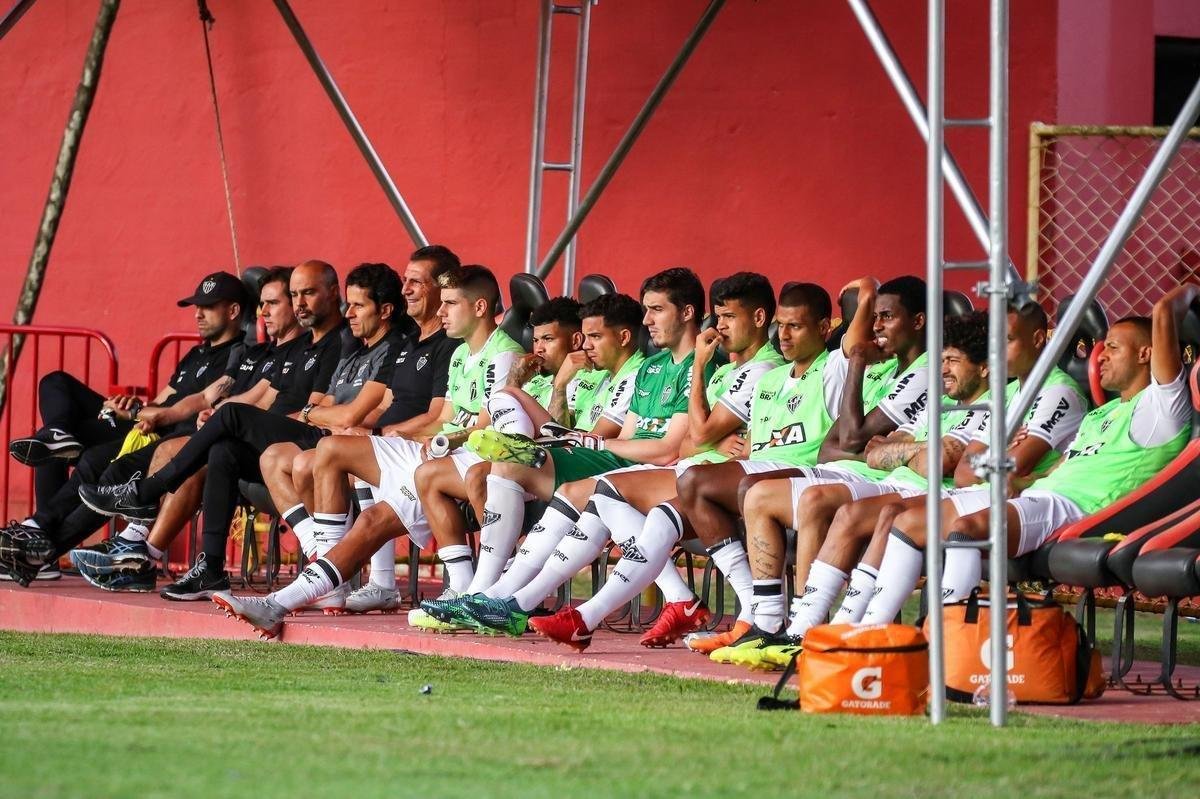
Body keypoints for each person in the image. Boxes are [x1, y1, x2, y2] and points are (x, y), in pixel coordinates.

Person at [745, 302, 1088, 665]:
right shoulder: (1010, 394)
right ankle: (810, 632)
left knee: (882, 514)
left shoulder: (1052, 393)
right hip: (957, 489)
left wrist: (926, 452)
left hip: (998, 501)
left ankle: (857, 637)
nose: (996, 351)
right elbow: (882, 453)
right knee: (848, 514)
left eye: (1005, 340)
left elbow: (960, 469)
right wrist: (939, 451)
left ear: (1038, 339)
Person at [207, 265, 525, 637]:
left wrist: (437, 441)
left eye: (451, 303)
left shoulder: (504, 354)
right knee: (332, 447)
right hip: (437, 453)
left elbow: (486, 426)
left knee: (371, 524)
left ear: (481, 307)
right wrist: (411, 434)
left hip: (468, 459)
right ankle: (321, 584)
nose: (441, 311)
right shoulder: (460, 355)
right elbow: (448, 418)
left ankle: (280, 603)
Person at [67, 262, 407, 602]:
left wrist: (311, 413)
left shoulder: (359, 345)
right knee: (222, 450)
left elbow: (349, 413)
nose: (349, 313)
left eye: (306, 294)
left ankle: (146, 496)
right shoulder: (347, 352)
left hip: (338, 446)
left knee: (229, 417)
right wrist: (307, 413)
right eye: (293, 295)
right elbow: (316, 405)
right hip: (312, 436)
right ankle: (210, 570)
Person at [860, 285, 1196, 627]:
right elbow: (1055, 470)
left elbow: (1164, 311)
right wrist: (1019, 481)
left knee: (966, 529)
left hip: (1080, 509)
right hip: (1043, 496)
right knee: (908, 522)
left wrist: (1194, 292)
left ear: (1146, 355)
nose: (1100, 355)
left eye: (1112, 347)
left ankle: (942, 639)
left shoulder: (1161, 408)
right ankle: (868, 630)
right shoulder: (1101, 414)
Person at [424, 268, 716, 636]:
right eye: (646, 310)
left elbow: (668, 449)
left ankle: (495, 596)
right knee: (513, 431)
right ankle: (498, 598)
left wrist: (592, 442)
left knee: (545, 478)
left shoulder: (698, 366)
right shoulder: (653, 367)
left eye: (656, 310)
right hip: (622, 461)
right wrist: (584, 437)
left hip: (657, 470)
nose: (648, 320)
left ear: (687, 313)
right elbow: (628, 436)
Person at [0, 271, 250, 585]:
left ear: (233, 311)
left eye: (208, 306)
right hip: (145, 424)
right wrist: (128, 409)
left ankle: (39, 542)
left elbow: (199, 403)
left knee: (93, 459)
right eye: (195, 306)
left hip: (172, 437)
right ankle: (57, 435)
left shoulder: (240, 357)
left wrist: (139, 412)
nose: (197, 313)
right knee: (55, 389)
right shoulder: (195, 353)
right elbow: (162, 401)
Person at [67, 266, 305, 594]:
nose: (263, 312)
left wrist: (223, 415)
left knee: (194, 452)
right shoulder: (258, 353)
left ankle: (141, 554)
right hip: (231, 437)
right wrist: (161, 413)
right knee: (164, 449)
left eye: (275, 302)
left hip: (268, 448)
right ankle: (132, 543)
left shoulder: (303, 350)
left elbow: (262, 404)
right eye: (262, 303)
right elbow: (213, 395)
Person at [290, 245, 461, 614]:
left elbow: (439, 415)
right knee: (311, 455)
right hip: (393, 443)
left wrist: (379, 434)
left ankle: (356, 579)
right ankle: (340, 575)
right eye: (405, 281)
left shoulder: (453, 346)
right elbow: (378, 404)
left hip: (427, 450)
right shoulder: (406, 343)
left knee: (331, 452)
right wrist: (364, 428)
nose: (406, 290)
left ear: (444, 290)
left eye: (417, 282)